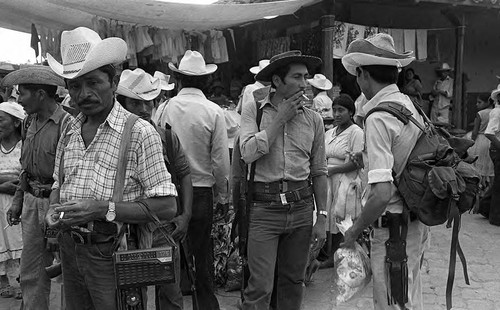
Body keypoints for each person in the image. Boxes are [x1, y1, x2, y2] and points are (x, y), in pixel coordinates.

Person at [45, 27, 178, 310]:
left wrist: (101, 209)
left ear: (114, 80)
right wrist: (53, 209)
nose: (84, 93)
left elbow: (166, 206)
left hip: (113, 251)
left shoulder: (139, 132)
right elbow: (59, 183)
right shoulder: (70, 131)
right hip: (71, 249)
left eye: (93, 82)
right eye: (75, 86)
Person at [341, 33, 429, 310]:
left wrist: (354, 232)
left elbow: (381, 193)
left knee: (392, 302)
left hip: (394, 230)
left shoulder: (379, 117)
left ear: (363, 74)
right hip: (414, 223)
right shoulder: (409, 105)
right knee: (408, 298)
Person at [239, 50, 327, 310]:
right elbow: (247, 153)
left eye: (306, 78)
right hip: (263, 210)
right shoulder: (254, 111)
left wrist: (321, 216)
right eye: (297, 77)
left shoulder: (314, 119)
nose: (304, 84)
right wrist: (280, 119)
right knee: (260, 288)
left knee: (293, 283)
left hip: (300, 208)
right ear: (277, 81)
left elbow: (319, 171)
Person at [158, 50, 230, 310]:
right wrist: (223, 195)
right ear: (205, 82)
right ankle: (206, 305)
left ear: (178, 80)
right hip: (201, 191)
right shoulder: (213, 112)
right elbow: (221, 162)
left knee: (169, 255)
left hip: (168, 192)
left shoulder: (164, 109)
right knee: (202, 254)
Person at [116, 68, 193, 310]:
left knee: (171, 295)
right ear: (122, 103)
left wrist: (185, 215)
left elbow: (184, 174)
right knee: (132, 297)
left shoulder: (166, 138)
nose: (145, 108)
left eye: (150, 101)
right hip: (127, 230)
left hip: (163, 227)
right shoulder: (113, 140)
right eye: (136, 102)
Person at [1, 65, 70, 310]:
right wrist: (19, 199)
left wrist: (55, 215)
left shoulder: (67, 124)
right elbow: (25, 168)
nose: (18, 99)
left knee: (67, 274)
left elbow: (66, 176)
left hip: (58, 203)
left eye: (22, 94)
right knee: (31, 273)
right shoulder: (29, 121)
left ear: (41, 94)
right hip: (31, 201)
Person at [312, 94, 364, 274]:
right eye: (335, 110)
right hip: (328, 178)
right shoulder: (330, 132)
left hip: (345, 179)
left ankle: (341, 254)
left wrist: (333, 170)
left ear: (350, 112)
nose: (337, 114)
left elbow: (358, 162)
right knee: (327, 216)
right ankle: (328, 254)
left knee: (342, 217)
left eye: (341, 110)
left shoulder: (356, 132)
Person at [0, 101, 25, 299]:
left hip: (18, 202)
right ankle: (2, 282)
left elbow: (24, 176)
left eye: (1, 120)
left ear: (16, 123)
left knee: (21, 241)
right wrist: (3, 185)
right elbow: (14, 177)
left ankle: (22, 281)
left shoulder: (25, 146)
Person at [469, 93, 495, 192]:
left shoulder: (481, 114)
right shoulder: (496, 112)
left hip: (480, 141)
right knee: (490, 166)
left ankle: (480, 189)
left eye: (479, 102)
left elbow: (475, 132)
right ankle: (490, 189)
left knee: (479, 166)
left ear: (488, 101)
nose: (477, 104)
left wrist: (471, 142)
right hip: (493, 140)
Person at [484, 86, 500, 226]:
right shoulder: (497, 112)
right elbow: (489, 133)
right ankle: (495, 217)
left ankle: (485, 206)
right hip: (497, 150)